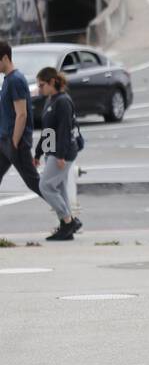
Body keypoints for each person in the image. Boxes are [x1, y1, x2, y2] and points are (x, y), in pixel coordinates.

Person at [34, 66, 82, 241]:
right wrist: (38, 154)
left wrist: (60, 155)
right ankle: (66, 226)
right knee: (58, 188)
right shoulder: (51, 100)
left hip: (63, 152)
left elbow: (64, 129)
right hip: (52, 151)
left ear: (52, 82)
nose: (39, 89)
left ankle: (69, 222)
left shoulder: (63, 101)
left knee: (45, 186)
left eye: (41, 85)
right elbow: (47, 131)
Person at [0, 41, 43, 203]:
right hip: (4, 141)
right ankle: (67, 217)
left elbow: (22, 114)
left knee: (34, 183)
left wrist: (14, 142)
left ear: (5, 58)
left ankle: (67, 217)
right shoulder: (7, 80)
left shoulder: (15, 80)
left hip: (15, 143)